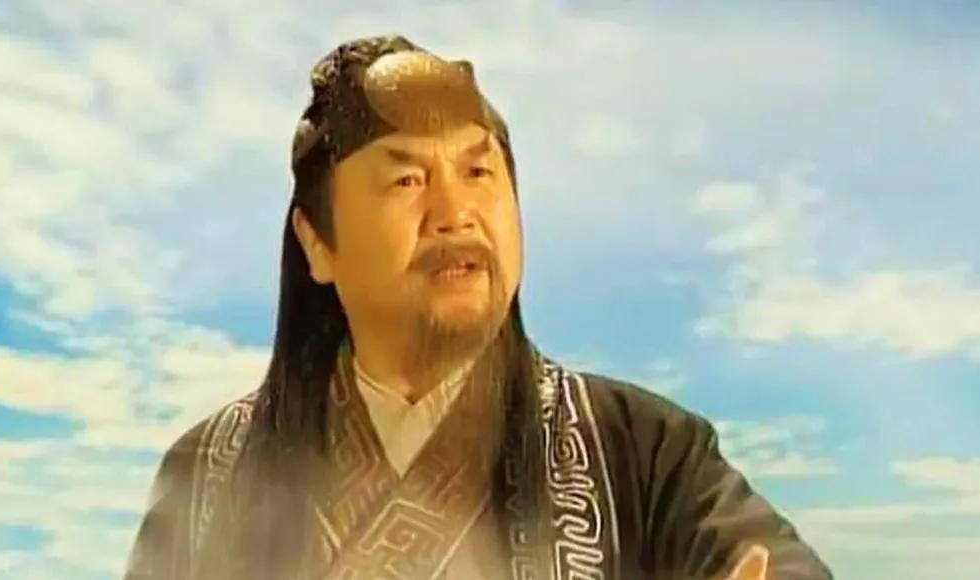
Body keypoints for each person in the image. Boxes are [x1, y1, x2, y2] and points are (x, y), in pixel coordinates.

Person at [124, 35, 832, 580]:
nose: (455, 213)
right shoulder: (208, 471)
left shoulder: (645, 451)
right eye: (407, 180)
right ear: (317, 243)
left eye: (478, 171)